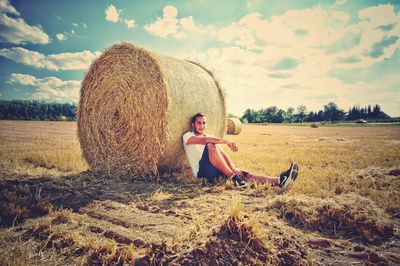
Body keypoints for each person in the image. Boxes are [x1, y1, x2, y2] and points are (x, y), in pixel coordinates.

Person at [182, 113, 299, 188]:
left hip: (216, 168)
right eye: (199, 123)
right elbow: (205, 140)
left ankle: (280, 180)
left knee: (244, 174)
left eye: (203, 123)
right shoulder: (187, 136)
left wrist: (233, 168)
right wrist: (226, 141)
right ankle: (234, 178)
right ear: (193, 124)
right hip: (202, 172)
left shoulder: (209, 136)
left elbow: (221, 154)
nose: (201, 126)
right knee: (212, 143)